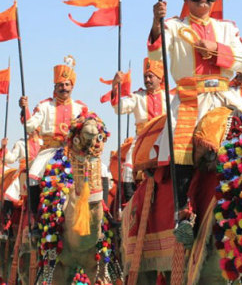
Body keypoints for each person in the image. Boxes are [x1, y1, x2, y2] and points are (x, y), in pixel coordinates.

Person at [148, 0, 242, 243]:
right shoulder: (173, 26)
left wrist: (216, 49)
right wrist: (156, 22)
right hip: (191, 98)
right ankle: (182, 213)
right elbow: (155, 54)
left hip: (226, 95)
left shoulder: (227, 28)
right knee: (178, 141)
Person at [19, 56, 112, 221]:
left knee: (103, 170)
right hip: (50, 150)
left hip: (75, 150)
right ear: (55, 87)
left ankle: (104, 214)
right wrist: (24, 109)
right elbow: (29, 126)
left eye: (67, 85)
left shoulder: (80, 107)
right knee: (33, 176)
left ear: (72, 86)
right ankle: (36, 220)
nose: (64, 88)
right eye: (60, 85)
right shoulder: (44, 106)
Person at [108, 57, 167, 200]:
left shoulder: (169, 97)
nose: (147, 80)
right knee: (128, 168)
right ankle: (130, 203)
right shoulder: (137, 97)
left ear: (160, 78)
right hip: (141, 139)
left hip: (163, 138)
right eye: (145, 77)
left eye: (150, 76)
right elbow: (119, 108)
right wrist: (115, 86)